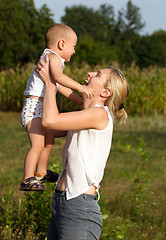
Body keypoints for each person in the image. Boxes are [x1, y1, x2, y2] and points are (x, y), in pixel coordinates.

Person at [36, 55, 129, 239]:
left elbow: (50, 121)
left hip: (79, 208)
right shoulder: (86, 116)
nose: (90, 74)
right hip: (63, 203)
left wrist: (49, 84)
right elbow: (48, 131)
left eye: (98, 74)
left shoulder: (99, 115)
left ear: (106, 92)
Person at [19, 23, 95, 191]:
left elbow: (61, 88)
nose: (74, 51)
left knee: (49, 141)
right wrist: (81, 88)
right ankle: (27, 178)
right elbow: (60, 79)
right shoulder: (52, 57)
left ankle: (41, 172)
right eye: (73, 47)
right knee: (38, 144)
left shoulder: (54, 60)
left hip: (39, 107)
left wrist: (79, 101)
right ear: (62, 44)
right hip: (34, 108)